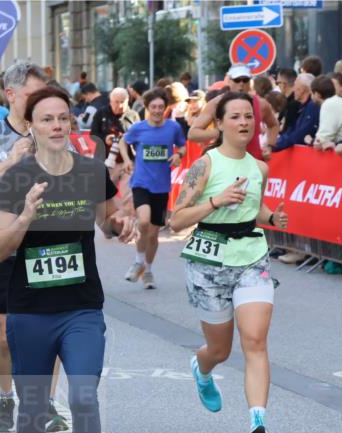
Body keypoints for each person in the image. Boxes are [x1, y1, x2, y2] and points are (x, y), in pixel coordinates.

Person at [0, 85, 135, 433]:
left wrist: (120, 224)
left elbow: (108, 221)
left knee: (84, 397)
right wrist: (25, 216)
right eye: (46, 119)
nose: (56, 125)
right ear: (30, 127)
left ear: (72, 123)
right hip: (30, 310)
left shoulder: (91, 171)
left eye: (62, 118)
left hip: (81, 308)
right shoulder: (17, 177)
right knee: (33, 407)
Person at [167, 91, 289, 433]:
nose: (244, 122)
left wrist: (272, 217)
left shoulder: (259, 167)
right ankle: (202, 368)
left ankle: (257, 425)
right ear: (218, 124)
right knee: (220, 350)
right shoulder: (205, 165)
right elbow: (176, 220)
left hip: (252, 257)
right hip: (208, 262)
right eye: (234, 116)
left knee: (255, 340)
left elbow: (255, 208)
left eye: (248, 116)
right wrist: (216, 201)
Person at [0, 61, 68, 433]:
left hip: (47, 248)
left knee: (51, 331)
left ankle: (47, 404)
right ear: (10, 95)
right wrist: (11, 161)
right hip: (3, 247)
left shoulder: (55, 131)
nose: (43, 102)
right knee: (6, 335)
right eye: (33, 95)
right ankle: (6, 396)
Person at [120, 87, 186, 290]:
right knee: (143, 221)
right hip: (141, 183)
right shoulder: (138, 128)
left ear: (165, 108)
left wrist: (178, 155)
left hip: (161, 186)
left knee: (153, 235)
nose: (157, 110)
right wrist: (127, 160)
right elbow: (123, 141)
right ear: (147, 108)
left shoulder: (173, 128)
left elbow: (182, 146)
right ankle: (138, 261)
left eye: (160, 107)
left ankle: (147, 271)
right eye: (153, 107)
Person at [189, 65, 279, 160]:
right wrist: (218, 133)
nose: (241, 84)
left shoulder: (261, 104)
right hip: (224, 161)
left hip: (253, 160)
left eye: (245, 80)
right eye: (237, 80)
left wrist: (269, 146)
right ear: (229, 81)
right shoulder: (216, 103)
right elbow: (192, 134)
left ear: (250, 82)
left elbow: (274, 125)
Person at [89, 87, 140, 156]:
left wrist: (127, 137)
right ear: (111, 102)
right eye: (116, 102)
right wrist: (105, 139)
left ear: (127, 101)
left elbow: (139, 136)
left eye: (122, 102)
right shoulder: (101, 113)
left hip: (128, 156)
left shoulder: (133, 115)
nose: (120, 106)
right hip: (105, 155)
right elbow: (93, 134)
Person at [273, 73, 318, 151]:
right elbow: (292, 130)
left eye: (295, 86)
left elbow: (300, 133)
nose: (293, 90)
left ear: (302, 89)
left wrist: (275, 145)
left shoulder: (312, 107)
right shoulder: (301, 107)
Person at [309, 75, 342, 148]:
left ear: (317, 94)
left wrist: (310, 141)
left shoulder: (329, 104)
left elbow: (322, 140)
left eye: (311, 93)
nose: (311, 97)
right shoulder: (335, 101)